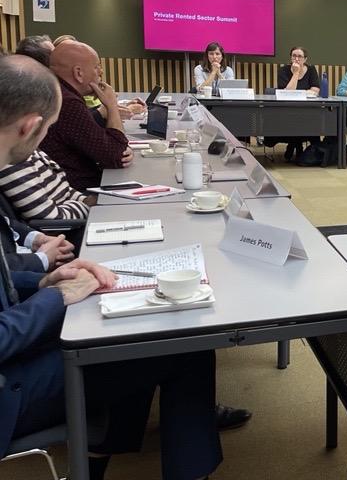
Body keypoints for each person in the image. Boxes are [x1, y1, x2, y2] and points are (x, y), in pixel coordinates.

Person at [0, 55, 224, 480]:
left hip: (19, 348)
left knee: (138, 332)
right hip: (10, 388)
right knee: (185, 344)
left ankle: (104, 450)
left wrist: (42, 278)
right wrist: (53, 297)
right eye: (47, 131)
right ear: (30, 126)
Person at [40, 40, 132, 191]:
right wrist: (112, 106)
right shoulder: (67, 102)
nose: (100, 72)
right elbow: (116, 156)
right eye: (96, 67)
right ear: (78, 73)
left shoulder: (57, 92)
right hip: (81, 194)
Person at [0, 149, 91, 221]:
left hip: (72, 215)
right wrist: (88, 206)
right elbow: (51, 218)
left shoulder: (29, 150)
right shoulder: (13, 161)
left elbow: (64, 190)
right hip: (64, 232)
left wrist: (85, 200)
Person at [276, 46, 320, 162]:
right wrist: (296, 73)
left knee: (307, 118)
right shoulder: (283, 70)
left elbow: (315, 90)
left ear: (305, 59)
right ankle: (296, 145)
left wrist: (297, 93)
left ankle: (294, 145)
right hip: (287, 109)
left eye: (299, 56)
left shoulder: (311, 70)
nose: (296, 59)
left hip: (307, 109)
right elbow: (286, 93)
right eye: (294, 56)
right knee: (294, 118)